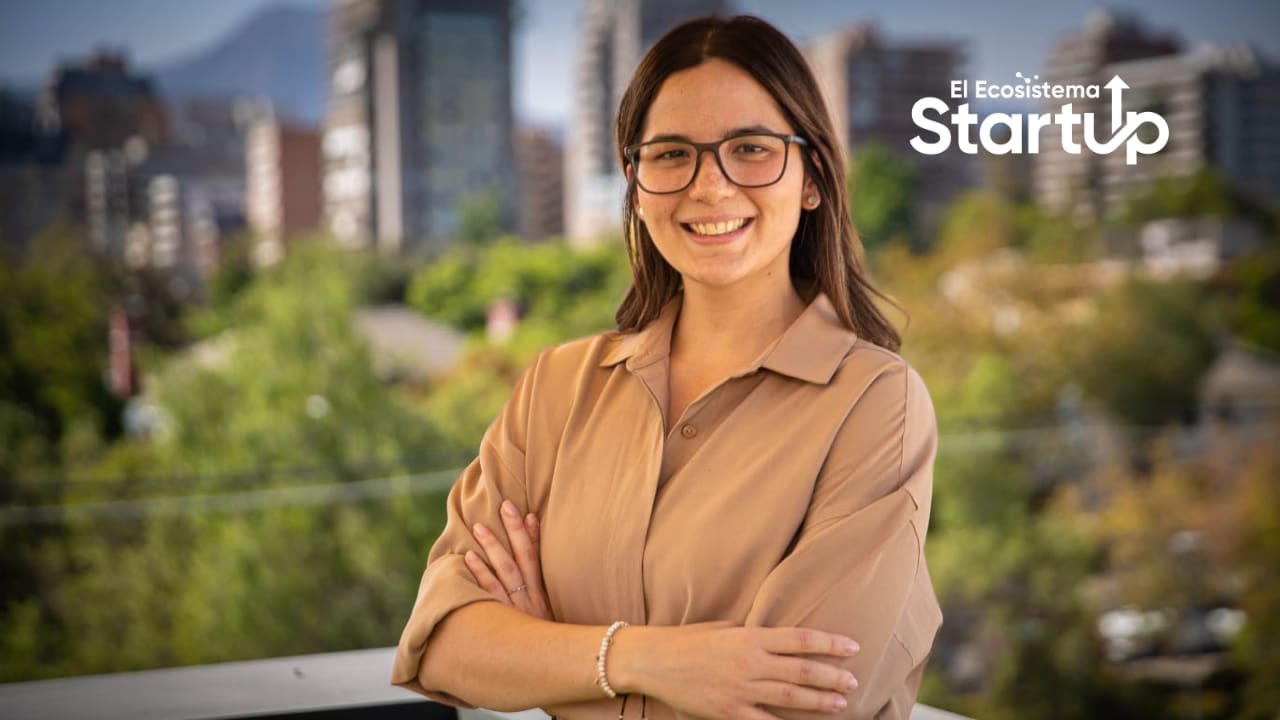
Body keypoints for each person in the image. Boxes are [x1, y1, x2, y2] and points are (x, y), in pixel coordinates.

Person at [391, 14, 941, 720]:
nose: (709, 187)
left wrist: (546, 650)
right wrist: (644, 659)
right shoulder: (556, 389)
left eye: (750, 149)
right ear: (635, 182)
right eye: (672, 154)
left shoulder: (874, 404)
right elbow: (444, 647)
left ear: (812, 178)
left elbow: (802, 702)